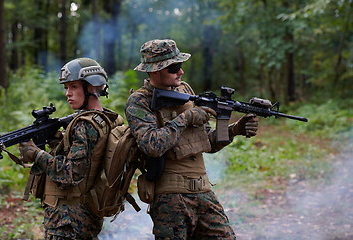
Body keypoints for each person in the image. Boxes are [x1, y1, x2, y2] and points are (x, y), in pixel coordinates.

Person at [125, 39, 259, 240]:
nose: (181, 72)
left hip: (203, 191)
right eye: (174, 68)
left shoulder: (186, 92)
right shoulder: (139, 101)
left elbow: (208, 142)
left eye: (180, 66)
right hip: (170, 198)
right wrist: (186, 118)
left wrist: (234, 129)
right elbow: (152, 145)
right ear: (154, 71)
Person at [18, 58, 123, 239]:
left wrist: (36, 154)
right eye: (66, 87)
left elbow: (70, 174)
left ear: (91, 87)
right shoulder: (107, 118)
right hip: (87, 213)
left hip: (68, 220)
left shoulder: (84, 125)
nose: (68, 93)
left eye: (73, 87)